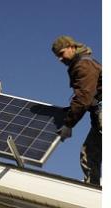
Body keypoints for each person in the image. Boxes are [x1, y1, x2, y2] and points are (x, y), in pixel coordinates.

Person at [51, 35, 102, 186]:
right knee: (89, 154)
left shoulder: (83, 65)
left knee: (90, 153)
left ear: (72, 47)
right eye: (57, 56)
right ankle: (94, 191)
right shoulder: (82, 64)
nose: (60, 59)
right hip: (99, 114)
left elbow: (83, 99)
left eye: (61, 53)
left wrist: (68, 124)